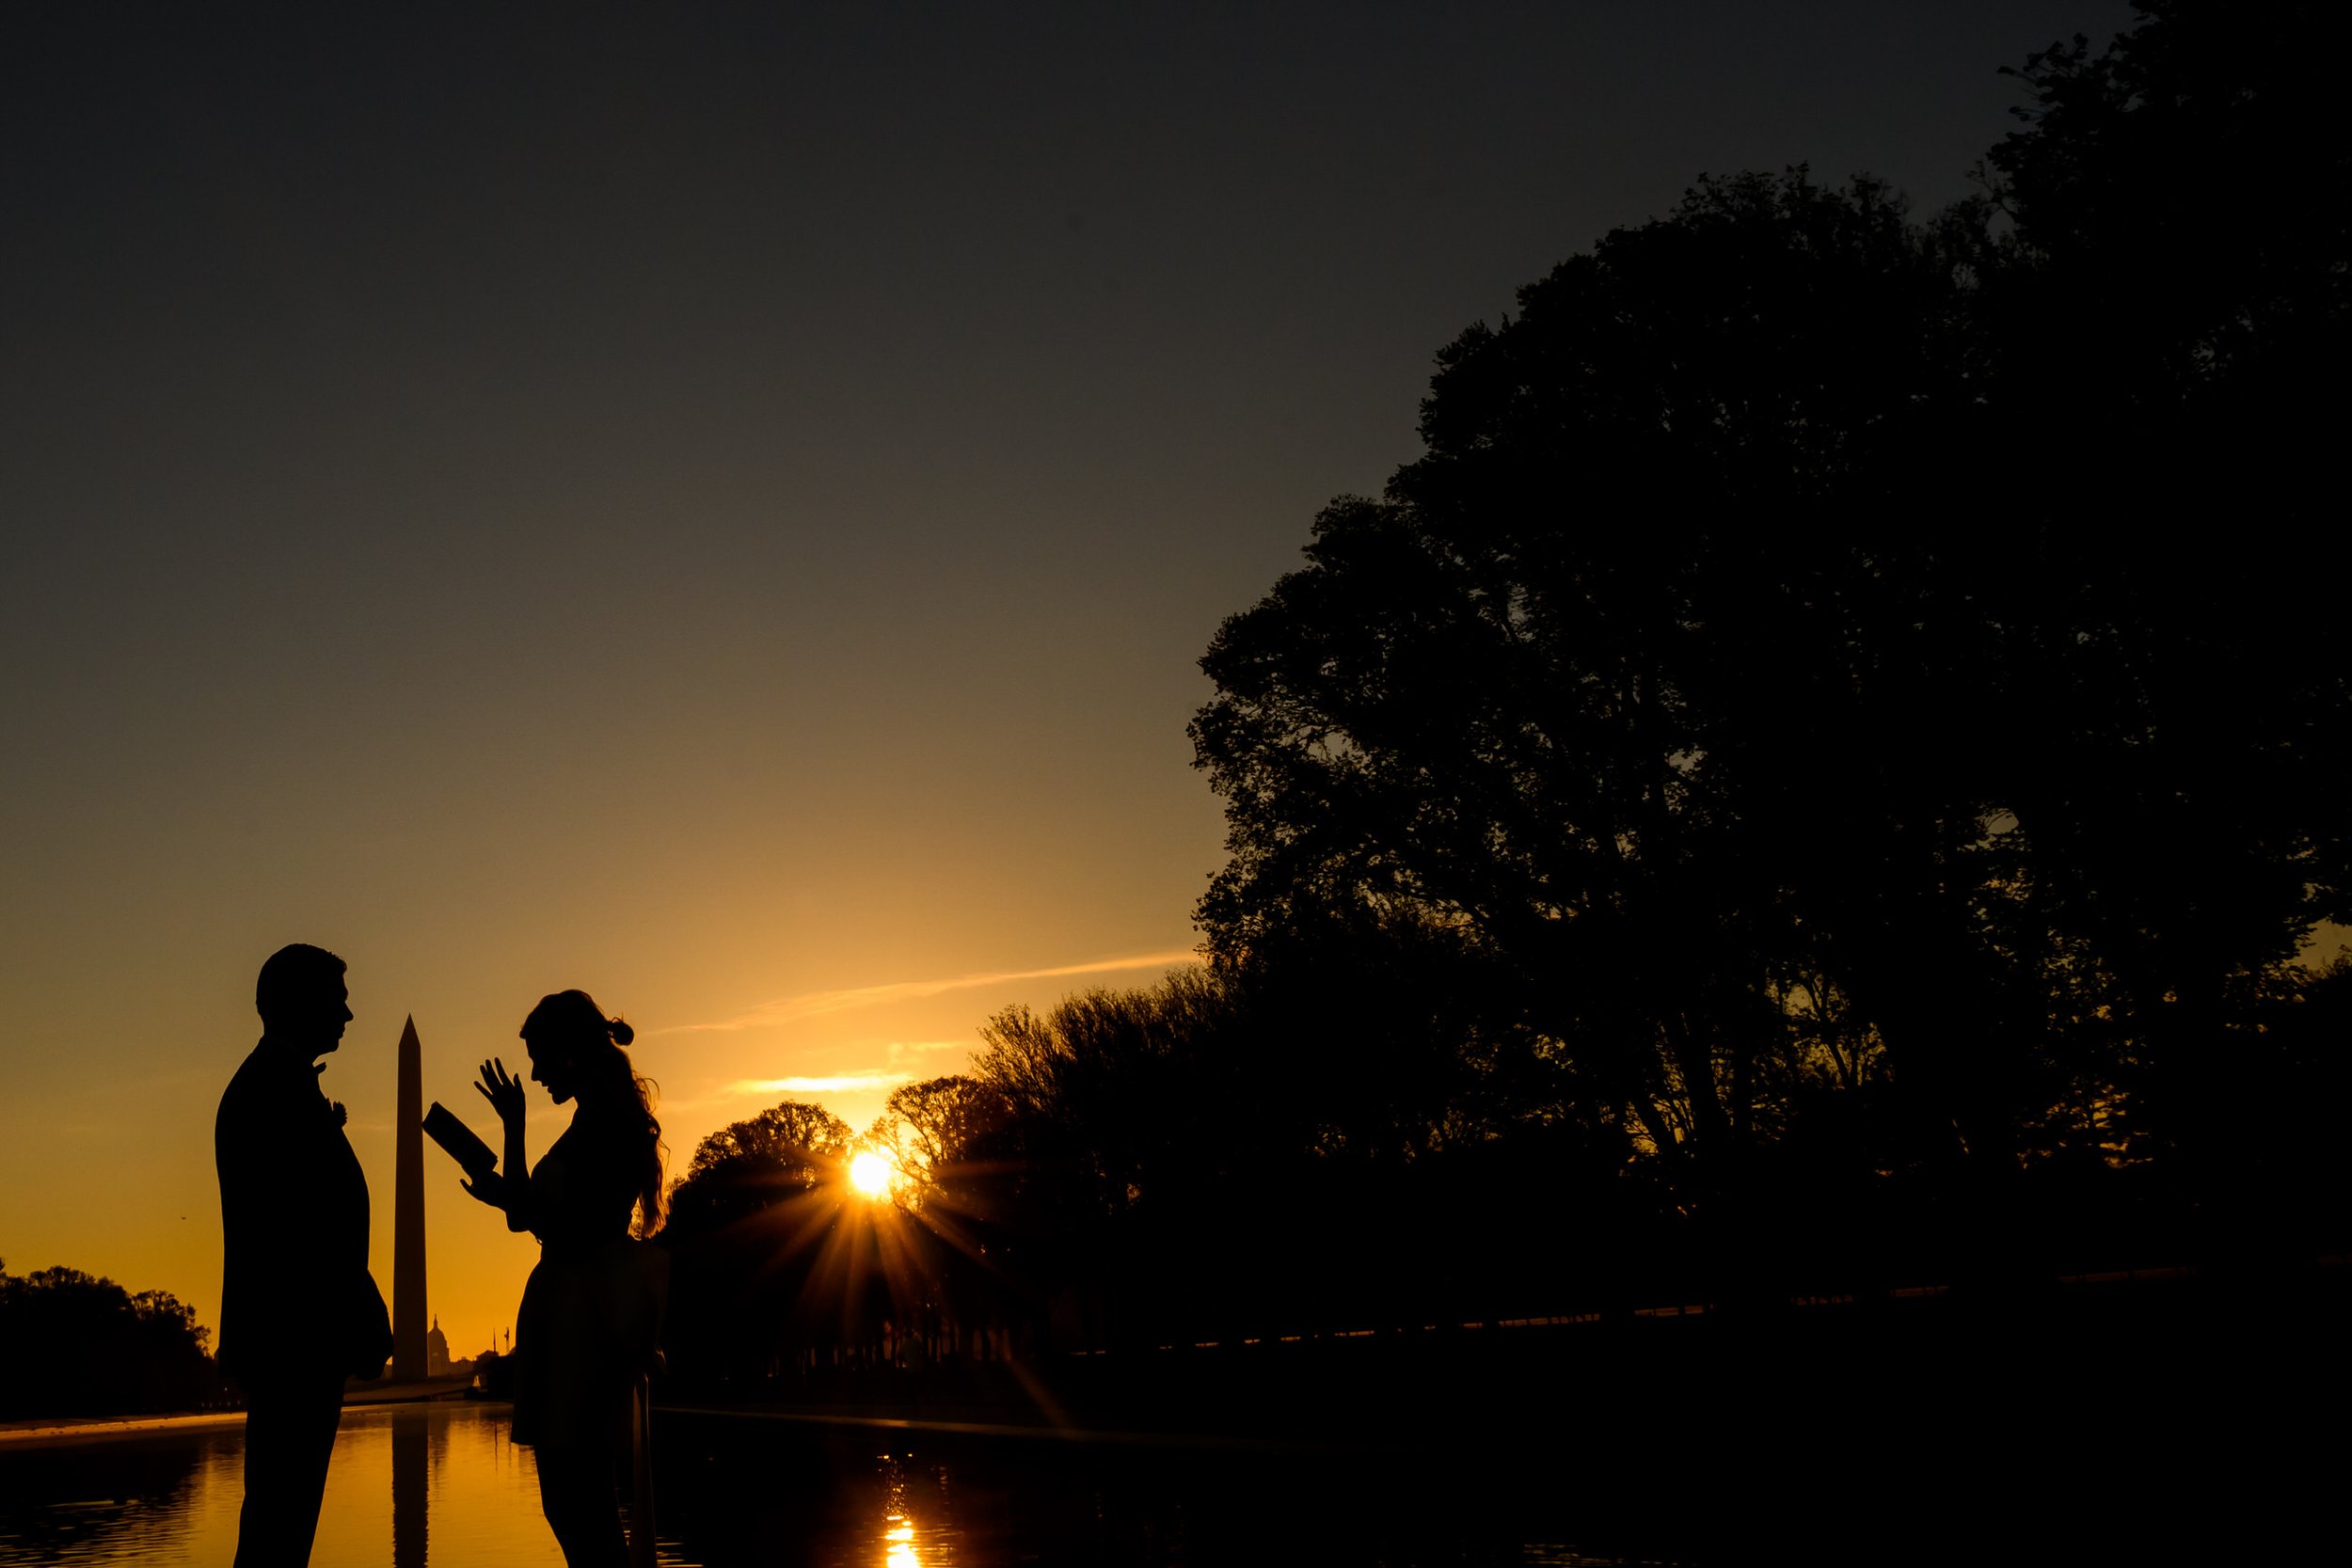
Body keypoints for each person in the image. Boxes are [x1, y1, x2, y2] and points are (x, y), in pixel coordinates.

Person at [464, 990, 668, 1568]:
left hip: (581, 1320)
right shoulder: (596, 1120)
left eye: (539, 1058)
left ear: (570, 1053)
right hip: (572, 1312)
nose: (534, 1074)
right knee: (575, 1497)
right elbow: (527, 1216)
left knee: (577, 1498)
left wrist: (513, 1169)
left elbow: (575, 1228)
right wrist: (512, 1136)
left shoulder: (603, 1126)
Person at [215, 942, 393, 1568]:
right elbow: (304, 1234)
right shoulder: (272, 1091)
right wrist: (362, 1317)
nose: (348, 1014)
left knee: (281, 1523)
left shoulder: (277, 1084)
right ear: (299, 1003)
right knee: (279, 1526)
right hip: (295, 1341)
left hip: (295, 1341)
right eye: (337, 1000)